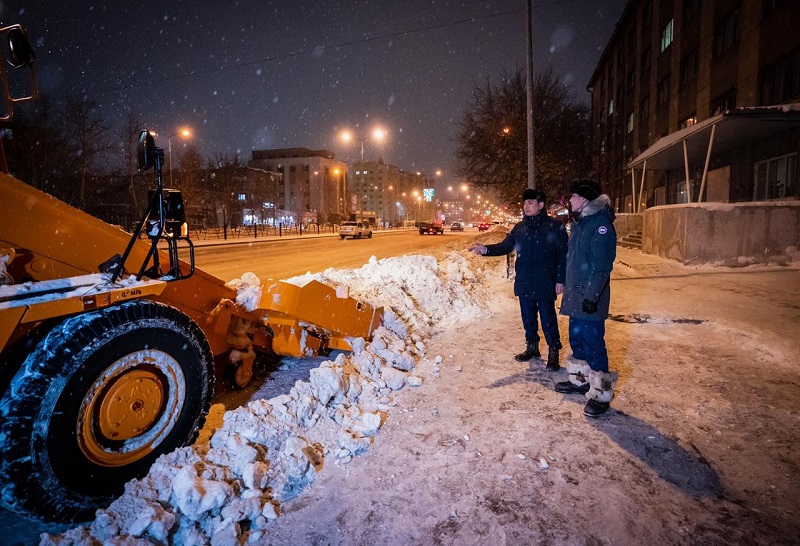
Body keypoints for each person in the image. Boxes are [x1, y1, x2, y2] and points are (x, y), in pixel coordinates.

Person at [470, 188, 568, 370]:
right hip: (525, 281)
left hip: (545, 281)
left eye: (530, 203)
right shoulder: (520, 228)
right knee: (528, 317)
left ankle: (553, 351)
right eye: (525, 203)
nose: (526, 206)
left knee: (548, 318)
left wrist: (560, 280)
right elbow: (505, 246)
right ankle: (532, 347)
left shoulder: (555, 226)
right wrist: (485, 250)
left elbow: (563, 256)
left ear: (541, 205)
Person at [554, 179, 618, 417]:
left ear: (584, 199)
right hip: (575, 296)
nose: (570, 200)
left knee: (594, 344)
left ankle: (602, 395)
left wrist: (592, 297)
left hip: (589, 298)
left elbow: (602, 266)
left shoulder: (600, 225)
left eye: (573, 196)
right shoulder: (581, 223)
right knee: (577, 340)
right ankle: (580, 381)